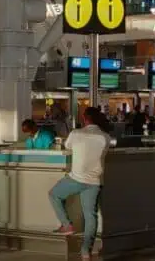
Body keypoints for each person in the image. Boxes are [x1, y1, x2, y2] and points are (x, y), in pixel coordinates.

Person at [49, 107, 110, 260]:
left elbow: (67, 146)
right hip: (95, 181)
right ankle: (86, 251)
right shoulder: (105, 137)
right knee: (90, 216)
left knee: (54, 194)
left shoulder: (76, 133)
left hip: (76, 178)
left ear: (84, 118)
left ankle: (67, 225)